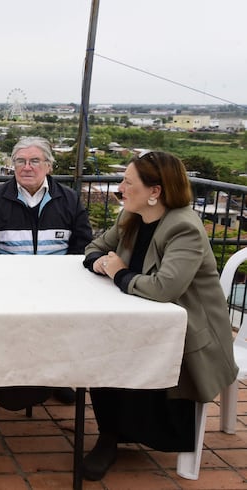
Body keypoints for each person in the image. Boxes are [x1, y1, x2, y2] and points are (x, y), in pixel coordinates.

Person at [81, 150, 238, 480]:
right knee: (98, 344)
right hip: (137, 319)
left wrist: (118, 273)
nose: (119, 188)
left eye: (127, 182)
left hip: (188, 333)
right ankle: (110, 433)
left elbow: (165, 288)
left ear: (155, 192)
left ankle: (128, 432)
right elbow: (94, 248)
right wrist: (100, 262)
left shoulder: (184, 228)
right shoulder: (132, 218)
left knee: (116, 348)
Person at [0, 136, 93, 409]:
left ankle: (58, 378)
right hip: (7, 287)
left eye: (35, 161)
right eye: (21, 161)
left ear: (48, 166)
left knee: (59, 326)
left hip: (58, 287)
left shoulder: (69, 200)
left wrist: (60, 281)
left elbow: (82, 247)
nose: (27, 167)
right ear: (12, 166)